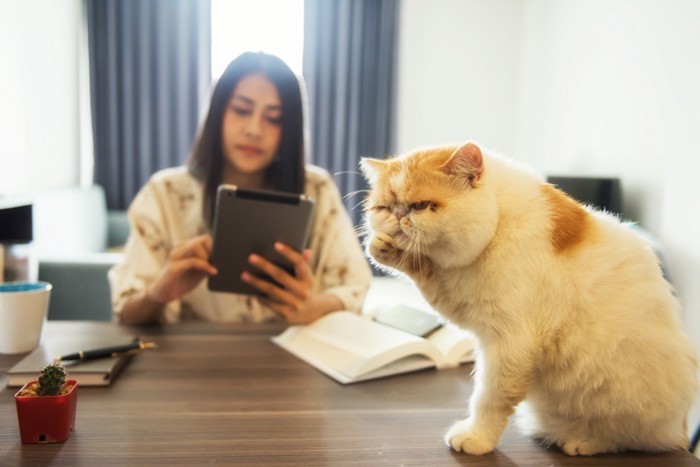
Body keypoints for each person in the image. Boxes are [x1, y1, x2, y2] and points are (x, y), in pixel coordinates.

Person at [109, 51, 372, 325]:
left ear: (289, 130)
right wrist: (157, 294)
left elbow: (355, 287)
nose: (254, 129)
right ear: (217, 112)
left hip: (290, 355)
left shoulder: (316, 189)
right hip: (192, 358)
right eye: (241, 110)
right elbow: (125, 311)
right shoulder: (164, 193)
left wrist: (309, 308)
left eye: (274, 119)